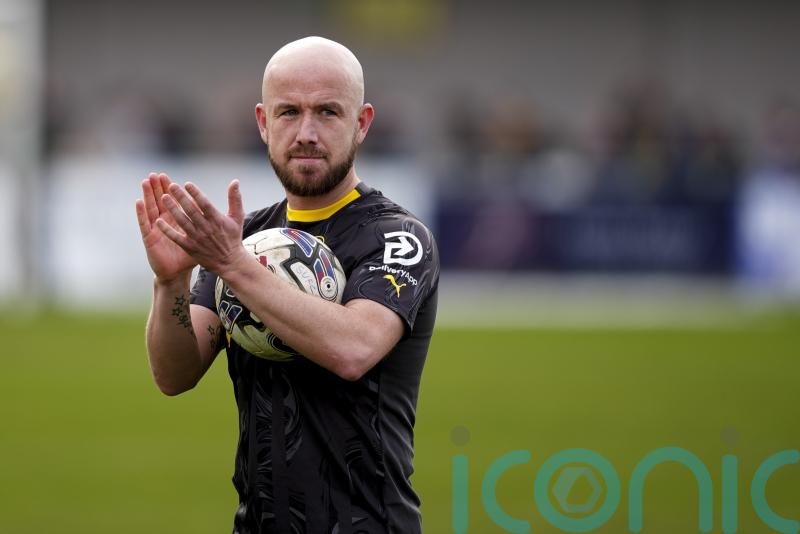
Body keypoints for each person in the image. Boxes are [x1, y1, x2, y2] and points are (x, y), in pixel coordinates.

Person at [134, 36, 439, 533]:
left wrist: (234, 266)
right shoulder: (244, 240)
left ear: (362, 123)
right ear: (262, 122)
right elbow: (175, 374)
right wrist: (171, 281)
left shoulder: (397, 238)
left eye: (328, 112)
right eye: (289, 112)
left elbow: (353, 348)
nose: (306, 132)